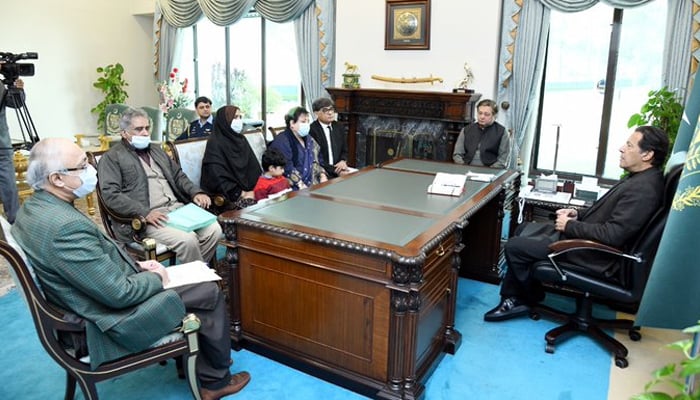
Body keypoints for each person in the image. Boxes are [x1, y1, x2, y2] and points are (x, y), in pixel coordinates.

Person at [11, 138, 250, 400]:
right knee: (208, 290)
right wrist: (156, 276)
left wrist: (137, 265)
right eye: (82, 165)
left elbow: (85, 265)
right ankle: (215, 382)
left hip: (89, 298)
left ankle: (202, 358)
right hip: (106, 319)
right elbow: (119, 294)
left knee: (196, 281)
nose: (92, 170)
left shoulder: (33, 209)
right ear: (57, 178)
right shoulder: (63, 227)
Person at [483, 125, 669, 322]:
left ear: (647, 154)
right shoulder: (642, 179)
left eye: (630, 145)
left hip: (594, 254)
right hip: (587, 242)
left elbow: (614, 235)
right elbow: (608, 214)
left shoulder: (644, 190)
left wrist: (570, 226)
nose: (622, 148)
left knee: (514, 246)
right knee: (522, 228)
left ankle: (523, 298)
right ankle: (518, 294)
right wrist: (576, 214)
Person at [98, 107, 222, 264]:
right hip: (149, 218)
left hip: (178, 210)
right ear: (124, 133)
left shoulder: (157, 150)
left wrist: (196, 193)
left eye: (147, 128)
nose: (145, 133)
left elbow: (178, 176)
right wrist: (145, 212)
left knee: (214, 230)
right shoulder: (112, 157)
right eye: (139, 129)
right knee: (187, 240)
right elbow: (111, 195)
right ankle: (196, 280)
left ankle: (191, 274)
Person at [200, 105, 261, 208]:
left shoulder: (241, 139)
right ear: (225, 121)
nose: (239, 121)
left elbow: (253, 168)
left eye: (240, 117)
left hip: (251, 192)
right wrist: (241, 193)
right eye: (235, 117)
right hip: (227, 197)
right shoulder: (215, 143)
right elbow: (216, 177)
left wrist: (256, 189)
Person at [269, 106, 328, 190]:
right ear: (292, 123)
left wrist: (322, 175)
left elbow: (318, 159)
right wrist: (301, 185)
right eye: (303, 122)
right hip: (294, 187)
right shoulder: (282, 141)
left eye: (308, 121)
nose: (307, 124)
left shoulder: (309, 138)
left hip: (314, 183)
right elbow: (287, 168)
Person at [452, 99, 511, 168]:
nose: (482, 117)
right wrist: (463, 167)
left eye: (486, 114)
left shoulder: (502, 132)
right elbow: (457, 154)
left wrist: (489, 171)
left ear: (494, 116)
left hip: (490, 171)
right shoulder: (466, 130)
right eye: (480, 113)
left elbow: (502, 160)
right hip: (466, 168)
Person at [0, 71, 24, 224]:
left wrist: (17, 90)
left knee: (8, 181)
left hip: (2, 143)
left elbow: (16, 103)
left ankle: (15, 221)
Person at [309, 97, 349, 178]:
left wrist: (343, 161)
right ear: (316, 113)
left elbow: (345, 149)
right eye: (325, 110)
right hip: (322, 171)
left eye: (331, 109)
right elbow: (316, 158)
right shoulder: (312, 130)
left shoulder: (339, 127)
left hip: (339, 168)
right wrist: (335, 170)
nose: (330, 113)